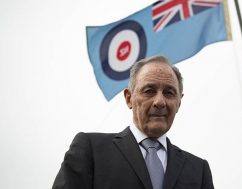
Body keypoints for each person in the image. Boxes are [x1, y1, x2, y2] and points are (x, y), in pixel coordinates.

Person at [52, 56, 214, 189]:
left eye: (169, 92)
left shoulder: (199, 170)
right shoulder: (91, 150)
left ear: (179, 103)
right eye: (149, 91)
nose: (160, 101)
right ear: (129, 98)